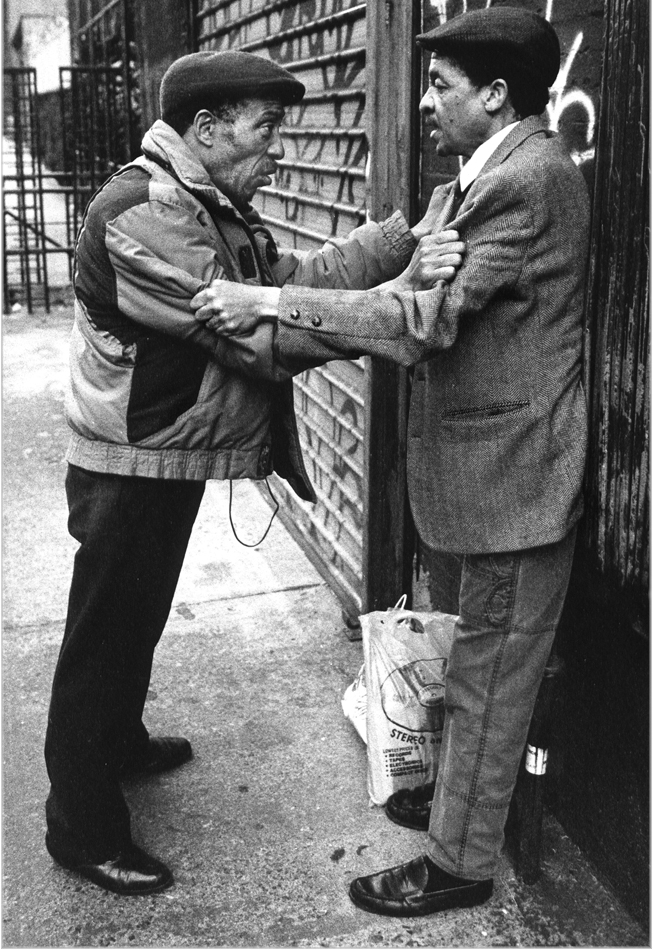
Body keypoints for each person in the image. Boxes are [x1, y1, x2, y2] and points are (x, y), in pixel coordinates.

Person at [192, 8, 590, 917]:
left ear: (496, 95)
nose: (424, 102)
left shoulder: (525, 181)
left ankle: (457, 864)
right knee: (472, 664)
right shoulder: (472, 181)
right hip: (478, 477)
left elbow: (418, 323)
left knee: (489, 678)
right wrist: (411, 266)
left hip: (514, 482)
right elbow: (415, 285)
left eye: (440, 86)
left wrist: (267, 301)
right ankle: (453, 804)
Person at [44, 50, 465, 897]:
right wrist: (399, 303)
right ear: (206, 128)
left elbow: (289, 286)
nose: (278, 147)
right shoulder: (144, 213)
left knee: (136, 615)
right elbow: (264, 337)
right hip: (129, 460)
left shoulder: (203, 201)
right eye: (265, 127)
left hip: (163, 448)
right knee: (107, 632)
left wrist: (397, 243)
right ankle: (79, 826)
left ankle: (116, 742)